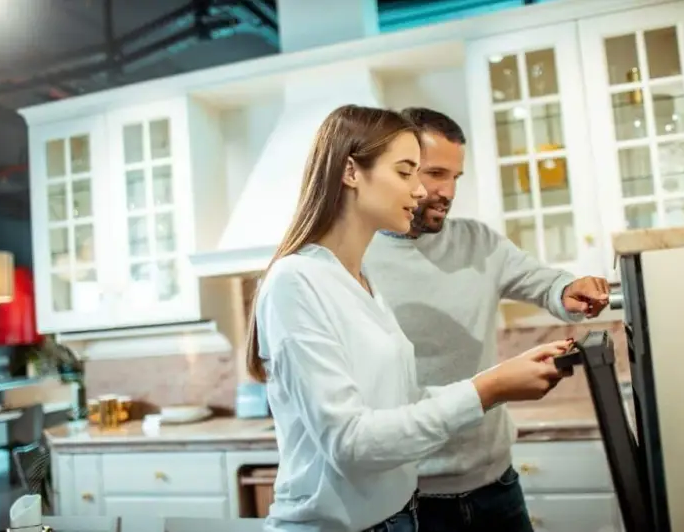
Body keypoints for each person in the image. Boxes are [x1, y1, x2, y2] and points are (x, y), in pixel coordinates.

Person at [246, 105, 574, 532]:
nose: (421, 191)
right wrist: (487, 389)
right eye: (406, 173)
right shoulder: (297, 280)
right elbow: (350, 442)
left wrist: (501, 380)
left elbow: (404, 403)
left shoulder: (358, 280)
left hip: (396, 519)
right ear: (350, 172)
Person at [363, 107, 611, 532]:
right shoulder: (356, 258)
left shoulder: (478, 242)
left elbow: (543, 282)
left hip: (496, 485)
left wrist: (568, 289)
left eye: (455, 177)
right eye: (435, 173)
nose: (447, 190)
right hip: (407, 502)